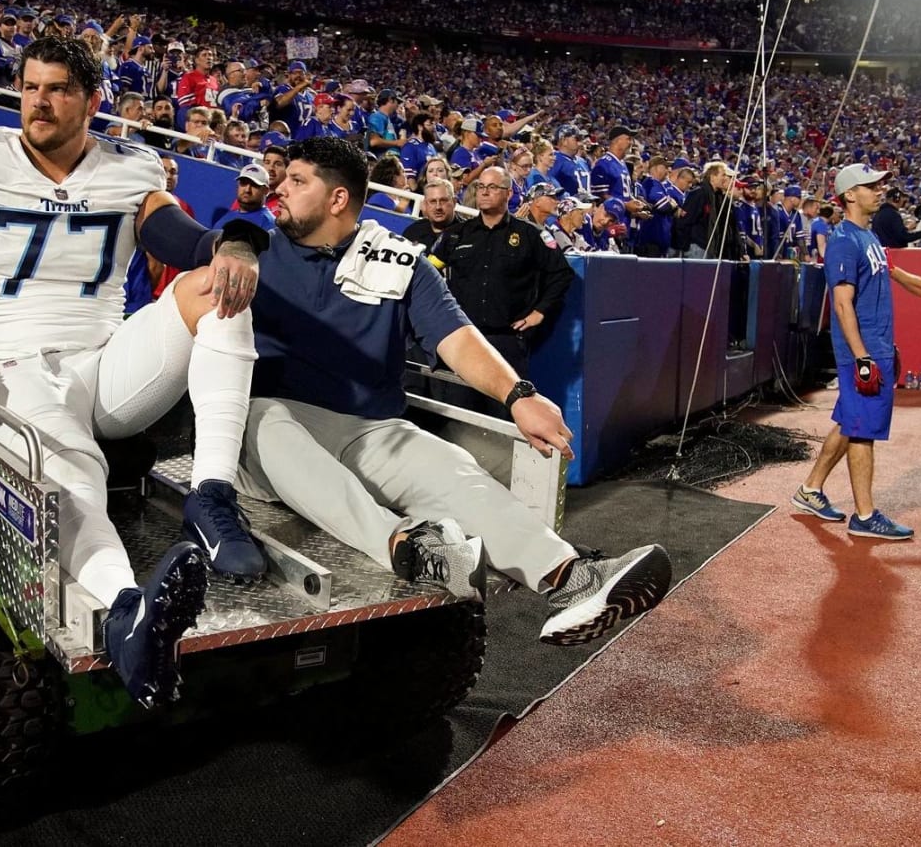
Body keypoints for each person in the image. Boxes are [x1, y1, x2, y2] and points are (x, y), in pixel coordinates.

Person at [0, 37, 267, 705]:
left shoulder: (128, 168)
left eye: (57, 88)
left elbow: (178, 236)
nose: (39, 101)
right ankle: (125, 614)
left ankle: (211, 496)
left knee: (221, 289)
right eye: (31, 87)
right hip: (8, 363)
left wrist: (230, 244)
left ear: (91, 101)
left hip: (105, 364)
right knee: (70, 463)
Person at [234, 137, 670, 641]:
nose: (279, 187)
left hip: (368, 428)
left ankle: (571, 577)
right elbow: (170, 232)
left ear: (337, 200)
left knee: (452, 469)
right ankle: (409, 546)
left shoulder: (399, 260)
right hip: (271, 425)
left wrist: (519, 396)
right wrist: (229, 247)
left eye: (296, 180)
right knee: (264, 420)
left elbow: (456, 337)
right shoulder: (250, 243)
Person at [790, 164, 913, 541]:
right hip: (863, 353)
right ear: (849, 195)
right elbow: (842, 304)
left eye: (879, 184)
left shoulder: (869, 236)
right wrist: (862, 357)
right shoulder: (844, 239)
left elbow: (914, 288)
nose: (880, 190)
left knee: (850, 424)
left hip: (876, 348)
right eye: (870, 185)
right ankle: (865, 515)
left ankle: (810, 490)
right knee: (862, 433)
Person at [430, 166, 574, 377]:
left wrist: (539, 312)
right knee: (459, 405)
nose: (485, 192)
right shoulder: (456, 235)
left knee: (501, 408)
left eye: (492, 187)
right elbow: (429, 271)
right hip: (463, 337)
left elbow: (561, 274)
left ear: (509, 193)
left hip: (507, 341)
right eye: (480, 187)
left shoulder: (531, 234)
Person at [215, 165, 276, 230]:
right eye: (243, 183)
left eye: (254, 185)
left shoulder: (269, 223)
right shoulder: (228, 216)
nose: (247, 190)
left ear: (266, 191)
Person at [402, 179, 457, 248]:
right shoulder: (413, 231)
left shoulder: (467, 234)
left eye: (443, 201)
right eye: (433, 201)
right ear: (425, 205)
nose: (438, 207)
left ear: (454, 202)